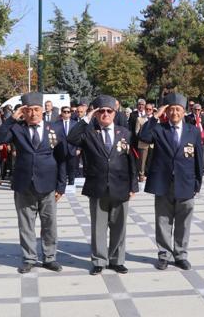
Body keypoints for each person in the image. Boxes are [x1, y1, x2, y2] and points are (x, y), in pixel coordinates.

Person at [0, 92, 67, 274]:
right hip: (24, 183)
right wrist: (11, 119)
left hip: (48, 184)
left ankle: (50, 258)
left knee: (49, 224)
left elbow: (62, 158)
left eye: (36, 109)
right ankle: (29, 258)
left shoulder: (54, 128)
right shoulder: (17, 129)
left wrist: (61, 185)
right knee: (26, 224)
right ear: (23, 112)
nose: (33, 113)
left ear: (42, 110)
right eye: (28, 110)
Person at [67, 95, 138, 275]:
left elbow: (131, 161)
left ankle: (117, 260)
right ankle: (99, 260)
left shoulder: (125, 133)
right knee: (98, 226)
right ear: (96, 114)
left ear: (114, 113)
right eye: (101, 111)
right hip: (97, 186)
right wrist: (87, 117)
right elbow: (71, 138)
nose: (105, 114)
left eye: (109, 111)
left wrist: (133, 186)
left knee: (119, 226)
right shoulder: (89, 133)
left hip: (121, 185)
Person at [139, 93, 203, 271]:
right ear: (166, 111)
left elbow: (199, 158)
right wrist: (155, 116)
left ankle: (181, 255)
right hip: (163, 182)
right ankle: (164, 255)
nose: (174, 113)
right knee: (163, 220)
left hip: (186, 182)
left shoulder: (193, 131)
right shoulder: (159, 129)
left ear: (184, 112)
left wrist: (198, 182)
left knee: (184, 221)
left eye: (178, 109)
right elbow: (143, 137)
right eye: (171, 109)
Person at [58, 106, 79, 185]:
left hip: (72, 149)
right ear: (62, 113)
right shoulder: (57, 124)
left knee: (71, 168)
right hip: (61, 149)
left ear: (70, 113)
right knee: (62, 168)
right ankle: (62, 185)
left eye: (68, 112)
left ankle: (71, 183)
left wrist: (79, 148)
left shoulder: (75, 123)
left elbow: (79, 137)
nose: (66, 113)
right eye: (64, 111)